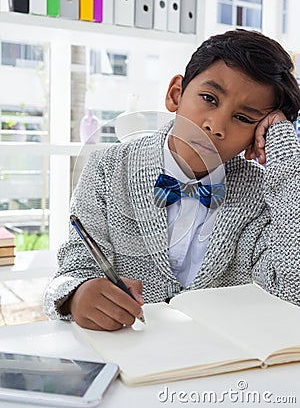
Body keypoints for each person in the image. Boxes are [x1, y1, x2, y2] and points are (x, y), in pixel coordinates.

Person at [44, 29, 300, 331]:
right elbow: (70, 272)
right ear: (175, 94)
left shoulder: (265, 195)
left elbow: (290, 289)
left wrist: (285, 152)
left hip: (221, 362)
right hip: (127, 358)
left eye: (243, 118)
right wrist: (76, 295)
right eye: (209, 98)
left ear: (256, 138)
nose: (215, 126)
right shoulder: (107, 168)